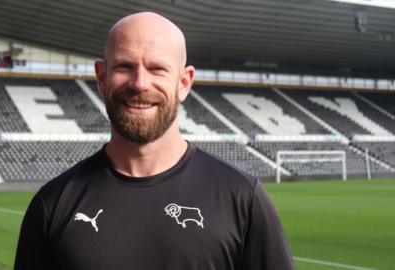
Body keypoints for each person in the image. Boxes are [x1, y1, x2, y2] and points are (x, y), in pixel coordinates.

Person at [15, 12, 295, 270]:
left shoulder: (243, 199)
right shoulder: (52, 205)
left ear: (184, 82)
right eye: (125, 66)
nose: (139, 83)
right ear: (102, 78)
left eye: (157, 68)